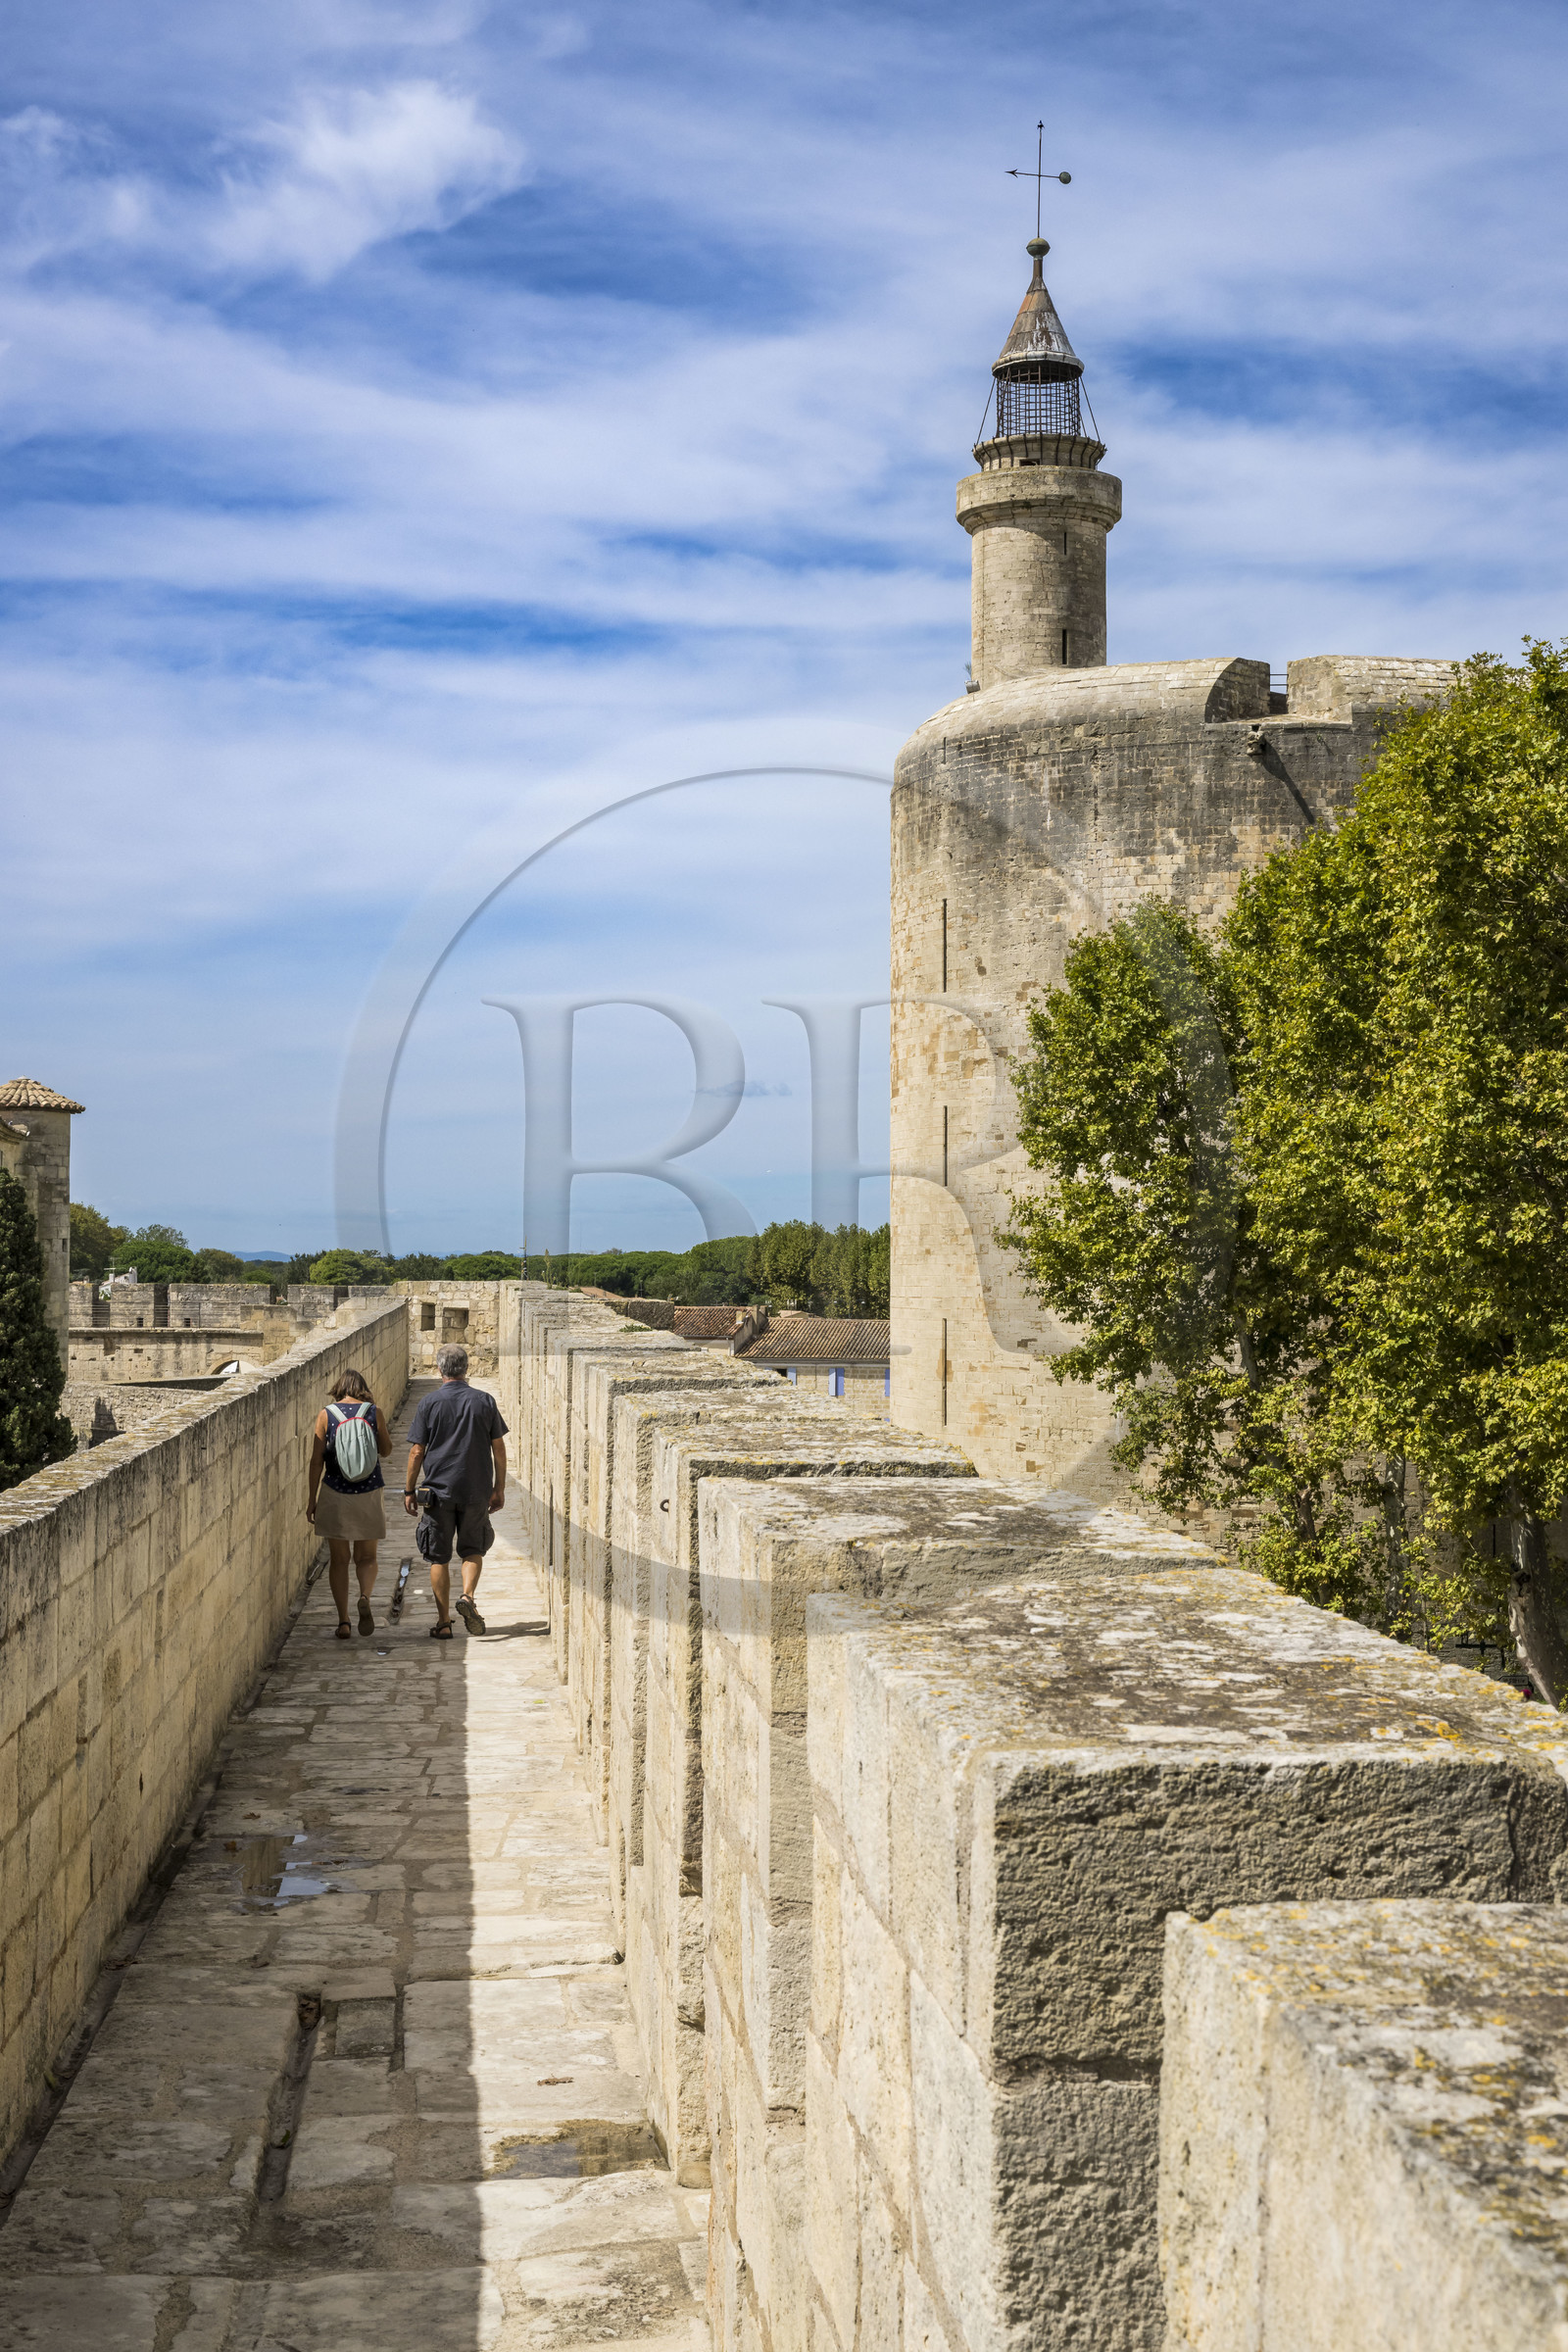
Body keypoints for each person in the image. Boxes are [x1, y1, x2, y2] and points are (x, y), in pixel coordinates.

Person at [403, 1344, 508, 1640]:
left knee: (438, 1556)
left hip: (438, 1492)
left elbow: (416, 1451)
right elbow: (498, 1447)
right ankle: (468, 1598)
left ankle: (443, 1622)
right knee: (473, 1548)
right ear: (467, 1369)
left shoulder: (429, 1403)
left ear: (439, 1369)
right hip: (476, 1490)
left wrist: (409, 1490)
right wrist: (498, 1488)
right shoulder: (484, 1401)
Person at [307, 1370, 394, 1640]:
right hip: (369, 1492)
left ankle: (344, 1621)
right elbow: (387, 1450)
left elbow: (316, 1460)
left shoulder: (326, 1414)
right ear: (363, 1389)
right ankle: (364, 1596)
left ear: (339, 1389)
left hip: (335, 1491)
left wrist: (312, 1499)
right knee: (367, 1557)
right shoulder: (373, 1412)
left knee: (339, 1560)